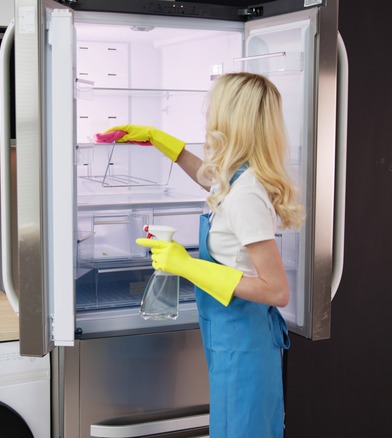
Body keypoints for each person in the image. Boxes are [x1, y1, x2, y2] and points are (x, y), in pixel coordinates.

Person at [106, 72, 305, 438]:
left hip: (244, 343)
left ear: (231, 120)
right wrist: (163, 143)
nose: (208, 116)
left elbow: (276, 290)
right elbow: (210, 180)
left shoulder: (246, 195)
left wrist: (187, 265)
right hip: (231, 336)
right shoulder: (238, 178)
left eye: (214, 109)